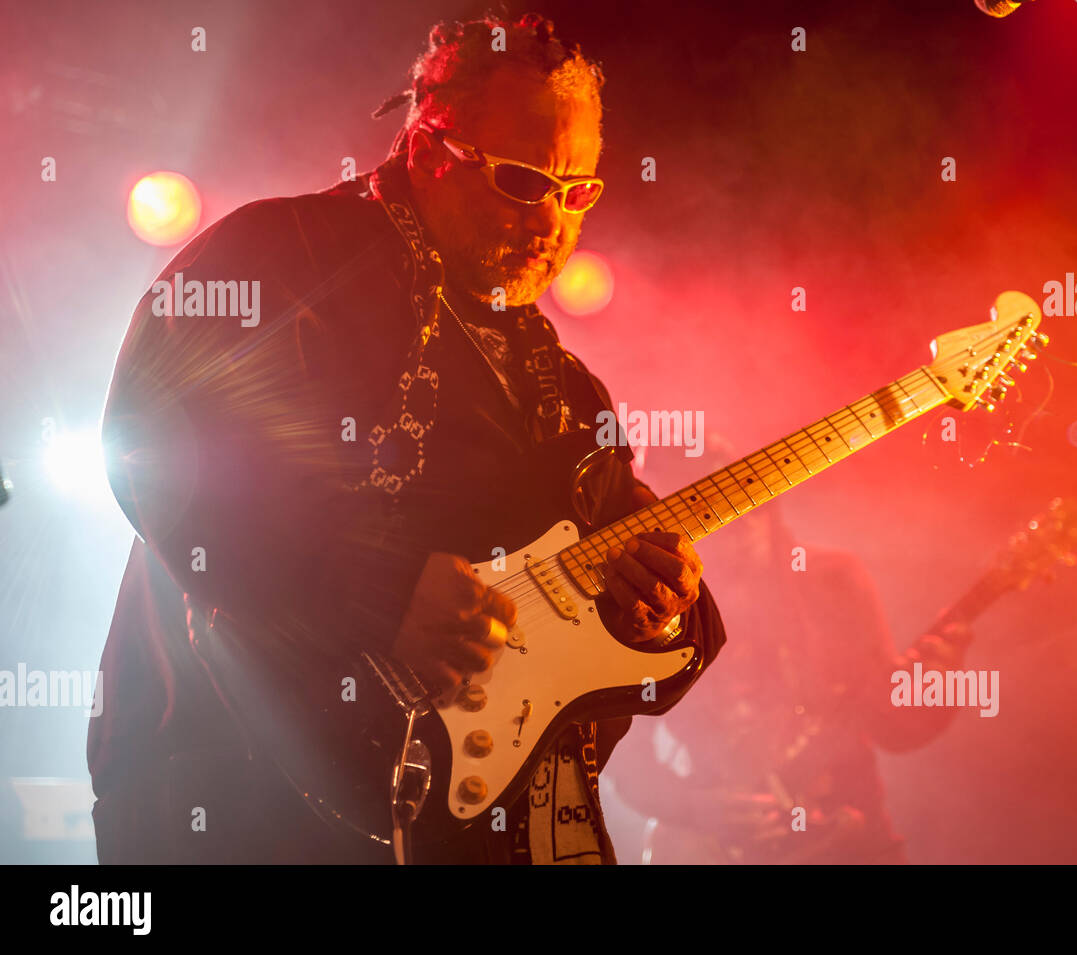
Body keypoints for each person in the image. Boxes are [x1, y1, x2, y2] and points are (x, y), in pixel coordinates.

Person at [89, 12, 725, 865]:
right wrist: (380, 593)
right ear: (430, 146)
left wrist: (656, 610)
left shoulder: (569, 389)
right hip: (242, 808)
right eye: (524, 181)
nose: (554, 222)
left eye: (577, 193)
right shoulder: (283, 255)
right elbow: (155, 449)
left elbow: (601, 658)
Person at [606, 436, 973, 864]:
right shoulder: (657, 609)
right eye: (704, 518)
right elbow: (626, 757)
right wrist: (696, 808)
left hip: (851, 842)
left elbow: (890, 726)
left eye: (740, 505)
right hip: (721, 848)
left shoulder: (834, 580)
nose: (732, 524)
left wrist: (939, 687)